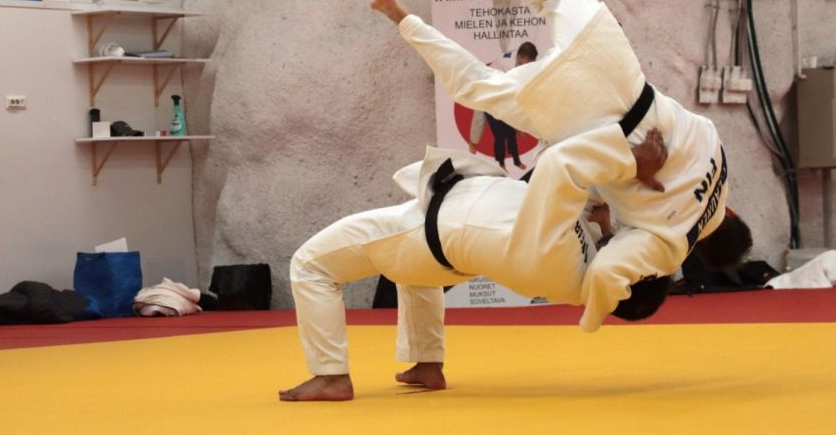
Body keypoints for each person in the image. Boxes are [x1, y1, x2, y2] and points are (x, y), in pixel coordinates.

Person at [370, 0, 751, 323]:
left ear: (732, 213)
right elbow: (607, 268)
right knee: (475, 86)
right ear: (698, 251)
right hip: (577, 121)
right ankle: (402, 18)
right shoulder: (671, 245)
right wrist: (593, 312)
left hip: (621, 74)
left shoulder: (717, 152)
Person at [280, 132, 671, 402]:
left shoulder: (563, 261)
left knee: (311, 265)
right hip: (443, 246)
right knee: (412, 274)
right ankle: (427, 363)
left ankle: (330, 375)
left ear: (622, 278)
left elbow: (558, 163)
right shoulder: (583, 261)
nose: (634, 244)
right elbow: (571, 195)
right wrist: (607, 215)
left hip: (424, 231)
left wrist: (631, 163)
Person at [468, 42, 539, 171]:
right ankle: (473, 142)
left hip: (500, 89)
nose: (528, 67)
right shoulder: (507, 66)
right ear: (520, 57)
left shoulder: (521, 61)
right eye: (527, 64)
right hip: (489, 88)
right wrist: (520, 126)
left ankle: (516, 161)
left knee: (511, 133)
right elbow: (511, 99)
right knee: (480, 117)